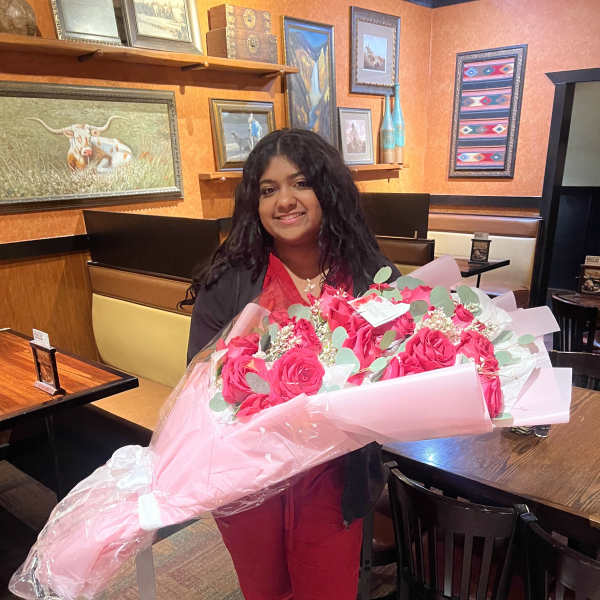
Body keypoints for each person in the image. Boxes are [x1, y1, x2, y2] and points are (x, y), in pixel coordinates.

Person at [182, 128, 400, 600]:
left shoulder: (368, 274)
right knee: (265, 592)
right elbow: (198, 380)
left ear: (328, 191)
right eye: (268, 189)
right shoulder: (231, 280)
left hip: (335, 477)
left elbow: (397, 373)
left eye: (301, 183)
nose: (284, 201)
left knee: (328, 590)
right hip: (248, 477)